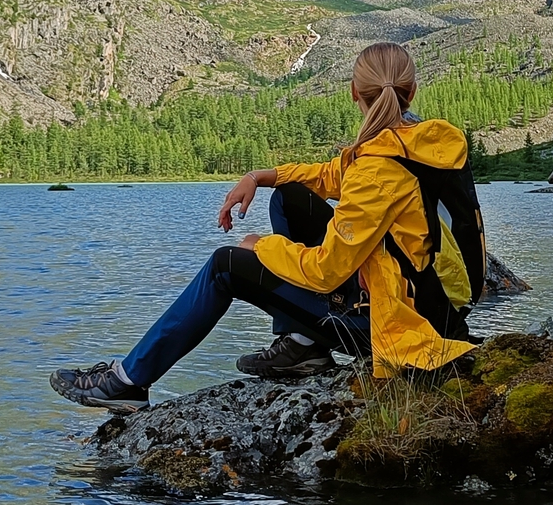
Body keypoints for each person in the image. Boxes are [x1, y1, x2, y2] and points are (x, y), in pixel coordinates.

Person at [50, 42, 479, 414]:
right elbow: (331, 175)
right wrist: (260, 176)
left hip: (403, 328)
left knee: (226, 266)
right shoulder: (418, 145)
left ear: (354, 92)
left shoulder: (377, 169)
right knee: (289, 195)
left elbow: (327, 271)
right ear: (412, 92)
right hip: (437, 306)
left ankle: (127, 381)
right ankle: (302, 348)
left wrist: (265, 248)